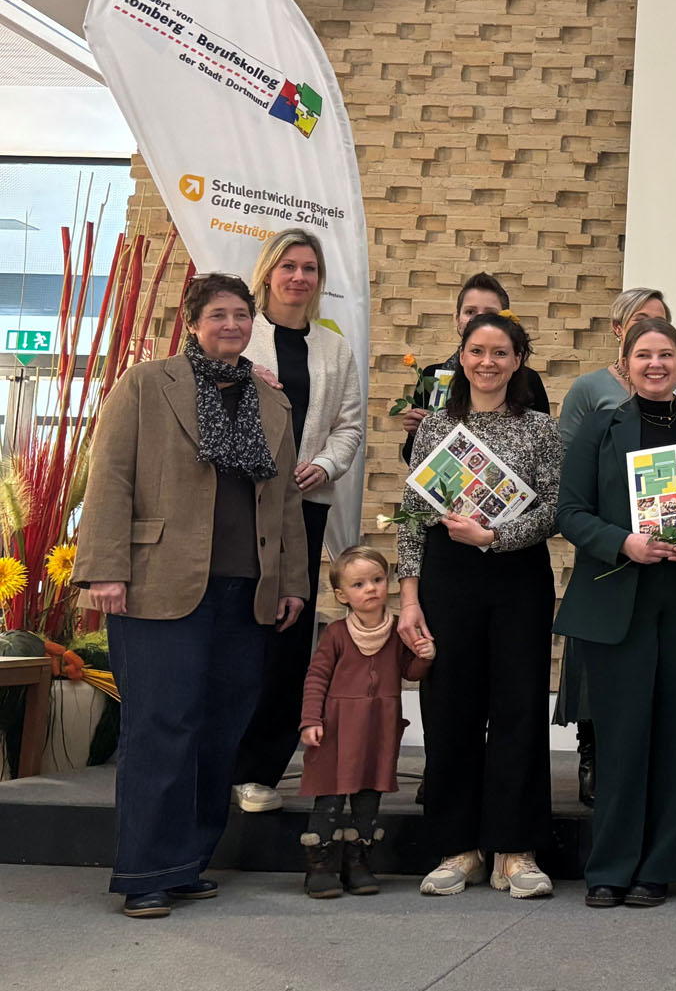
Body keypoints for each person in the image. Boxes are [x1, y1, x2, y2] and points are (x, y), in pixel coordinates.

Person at [72, 273, 308, 919]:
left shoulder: (272, 401)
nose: (231, 324)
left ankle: (186, 863)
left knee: (219, 728)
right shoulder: (147, 384)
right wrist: (104, 569)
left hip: (245, 590)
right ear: (193, 320)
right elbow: (111, 476)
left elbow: (285, 499)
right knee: (161, 725)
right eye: (219, 314)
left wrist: (291, 582)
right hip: (156, 584)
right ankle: (144, 871)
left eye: (241, 315)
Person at [553, 317, 676, 909]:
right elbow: (570, 511)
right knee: (621, 740)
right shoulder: (598, 428)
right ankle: (609, 867)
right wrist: (623, 542)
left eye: (666, 355)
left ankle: (658, 866)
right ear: (626, 364)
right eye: (643, 355)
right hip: (619, 599)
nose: (655, 364)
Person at [398, 312, 563, 899]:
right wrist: (409, 596)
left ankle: (515, 851)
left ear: (519, 360)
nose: (487, 362)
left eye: (501, 352)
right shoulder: (434, 426)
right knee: (450, 709)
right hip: (447, 578)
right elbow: (413, 514)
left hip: (517, 577)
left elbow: (555, 511)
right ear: (461, 357)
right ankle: (458, 847)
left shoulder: (541, 429)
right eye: (477, 351)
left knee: (519, 708)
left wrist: (496, 538)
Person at [231, 229, 367, 815]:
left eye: (309, 268)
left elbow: (351, 426)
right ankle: (219, 762)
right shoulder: (238, 336)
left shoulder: (334, 349)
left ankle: (260, 769)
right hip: (236, 507)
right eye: (288, 266)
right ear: (267, 273)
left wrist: (326, 465)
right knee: (236, 626)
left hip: (302, 509)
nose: (299, 277)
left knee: (287, 631)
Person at [553, 285, 674, 808]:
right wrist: (615, 536)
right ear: (619, 331)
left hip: (662, 556)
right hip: (606, 549)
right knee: (595, 662)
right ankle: (590, 753)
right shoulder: (589, 389)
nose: (652, 334)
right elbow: (568, 467)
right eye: (641, 323)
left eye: (662, 325)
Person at [297, 546, 433, 899]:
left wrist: (423, 657)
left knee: (367, 797)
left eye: (376, 580)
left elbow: (410, 672)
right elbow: (316, 677)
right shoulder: (337, 634)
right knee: (329, 796)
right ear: (342, 595)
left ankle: (358, 863)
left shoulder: (397, 632)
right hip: (337, 729)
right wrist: (311, 718)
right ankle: (321, 866)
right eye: (359, 584)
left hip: (377, 729)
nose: (371, 588)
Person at [398, 272, 551, 464]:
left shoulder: (529, 381)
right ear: (457, 318)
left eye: (490, 313)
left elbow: (544, 454)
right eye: (470, 312)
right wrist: (418, 433)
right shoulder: (431, 376)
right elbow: (413, 462)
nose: (479, 319)